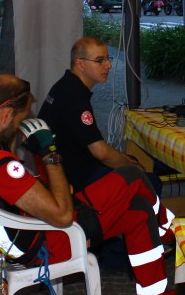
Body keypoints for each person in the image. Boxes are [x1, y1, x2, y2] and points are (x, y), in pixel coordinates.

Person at [0, 74, 185, 295]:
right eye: (20, 119)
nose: (19, 127)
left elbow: (9, 195)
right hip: (45, 244)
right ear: (5, 114)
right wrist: (50, 153)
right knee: (131, 176)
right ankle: (175, 236)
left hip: (10, 238)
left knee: (139, 211)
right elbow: (62, 216)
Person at [38, 37, 144, 193]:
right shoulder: (74, 96)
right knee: (147, 179)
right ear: (80, 64)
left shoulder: (66, 85)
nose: (108, 65)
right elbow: (100, 152)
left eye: (108, 58)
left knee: (129, 162)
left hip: (63, 166)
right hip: (76, 176)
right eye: (100, 61)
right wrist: (134, 167)